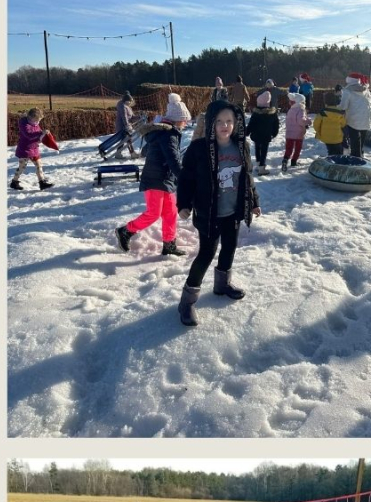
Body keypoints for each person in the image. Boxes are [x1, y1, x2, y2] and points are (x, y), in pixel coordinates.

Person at [175, 101, 261, 326]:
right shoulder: (198, 148)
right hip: (209, 213)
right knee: (206, 254)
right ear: (212, 123)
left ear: (236, 123)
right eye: (220, 121)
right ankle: (187, 302)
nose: (225, 126)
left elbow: (248, 176)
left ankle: (222, 284)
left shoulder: (241, 146)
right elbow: (186, 179)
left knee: (230, 247)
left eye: (229, 121)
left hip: (233, 211)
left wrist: (253, 201)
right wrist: (183, 204)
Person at [115, 93, 191, 257]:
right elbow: (173, 160)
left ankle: (169, 244)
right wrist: (185, 179)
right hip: (155, 179)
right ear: (178, 119)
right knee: (154, 213)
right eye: (184, 119)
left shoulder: (165, 132)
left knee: (171, 211)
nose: (186, 123)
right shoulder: (168, 135)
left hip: (165, 179)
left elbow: (151, 152)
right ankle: (125, 231)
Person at [10, 107, 54, 191]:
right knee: (22, 167)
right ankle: (14, 182)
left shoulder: (35, 123)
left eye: (39, 121)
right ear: (31, 117)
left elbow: (39, 134)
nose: (38, 122)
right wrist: (40, 133)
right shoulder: (24, 124)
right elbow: (29, 135)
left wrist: (44, 135)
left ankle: (42, 183)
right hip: (24, 150)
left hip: (34, 149)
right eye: (37, 120)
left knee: (39, 165)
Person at [342, 71, 371, 158]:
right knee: (361, 141)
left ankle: (356, 159)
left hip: (353, 121)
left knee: (355, 142)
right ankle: (361, 156)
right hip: (366, 119)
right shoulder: (366, 90)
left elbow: (343, 106)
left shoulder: (347, 91)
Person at [247, 89, 280, 174]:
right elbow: (276, 125)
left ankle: (258, 164)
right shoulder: (272, 114)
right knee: (264, 151)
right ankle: (262, 167)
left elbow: (251, 124)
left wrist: (246, 132)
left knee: (257, 148)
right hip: (266, 135)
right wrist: (274, 133)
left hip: (256, 135)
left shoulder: (256, 114)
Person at [98, 91, 137, 160]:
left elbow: (132, 117)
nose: (130, 103)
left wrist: (139, 117)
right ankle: (129, 153)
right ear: (126, 100)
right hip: (122, 126)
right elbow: (124, 117)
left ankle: (127, 153)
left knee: (125, 140)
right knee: (126, 139)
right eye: (129, 101)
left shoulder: (128, 107)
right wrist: (127, 125)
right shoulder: (122, 106)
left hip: (126, 126)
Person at [312, 91, 347, 158]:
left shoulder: (322, 113)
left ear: (325, 102)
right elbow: (343, 124)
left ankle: (330, 160)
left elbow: (316, 125)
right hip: (337, 138)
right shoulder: (340, 112)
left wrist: (320, 132)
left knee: (330, 152)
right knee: (338, 153)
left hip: (326, 138)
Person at [282, 92, 308, 171]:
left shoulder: (291, 110)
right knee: (297, 148)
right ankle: (294, 161)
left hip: (289, 133)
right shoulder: (301, 110)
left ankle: (285, 159)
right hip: (298, 133)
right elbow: (301, 121)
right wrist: (308, 122)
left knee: (289, 148)